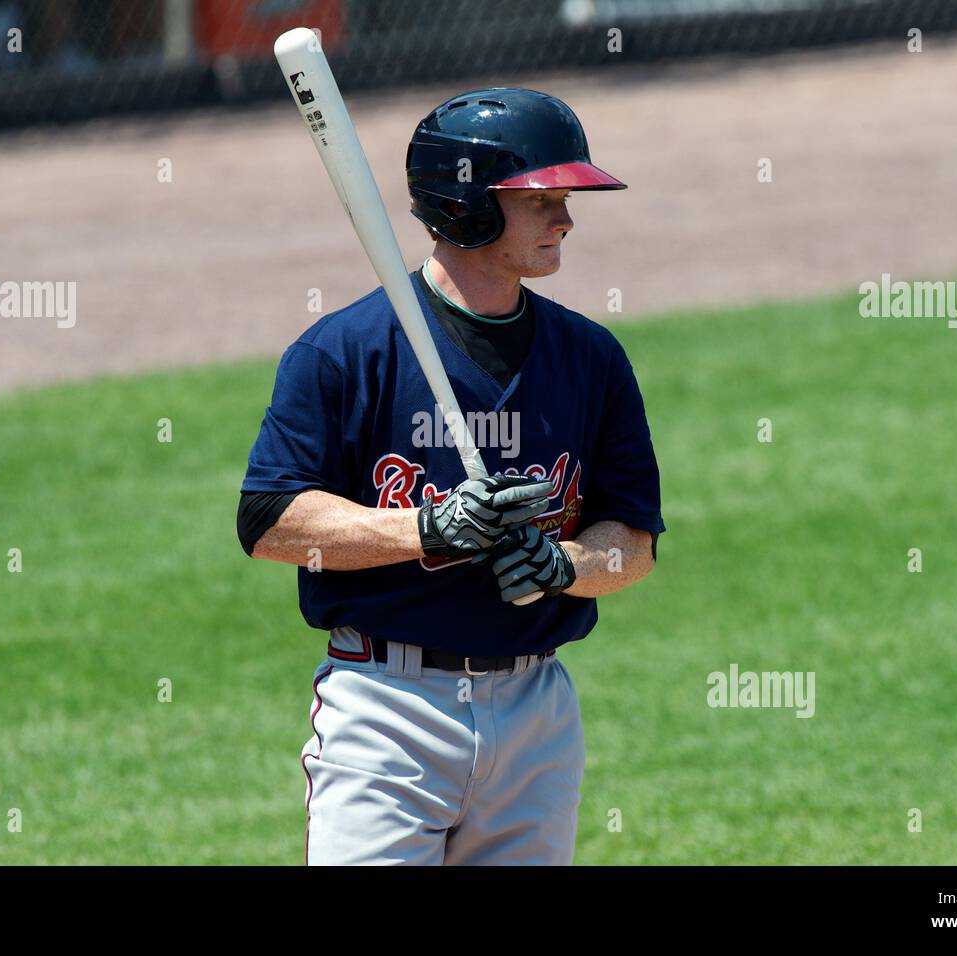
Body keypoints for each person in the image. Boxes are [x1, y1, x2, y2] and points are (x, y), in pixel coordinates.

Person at [237, 87, 664, 865]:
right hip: (388, 708)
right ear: (467, 207)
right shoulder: (344, 353)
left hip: (537, 713)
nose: (566, 218)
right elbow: (268, 522)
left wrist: (563, 564)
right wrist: (427, 526)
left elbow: (632, 540)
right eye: (541, 200)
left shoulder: (590, 359)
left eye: (566, 198)